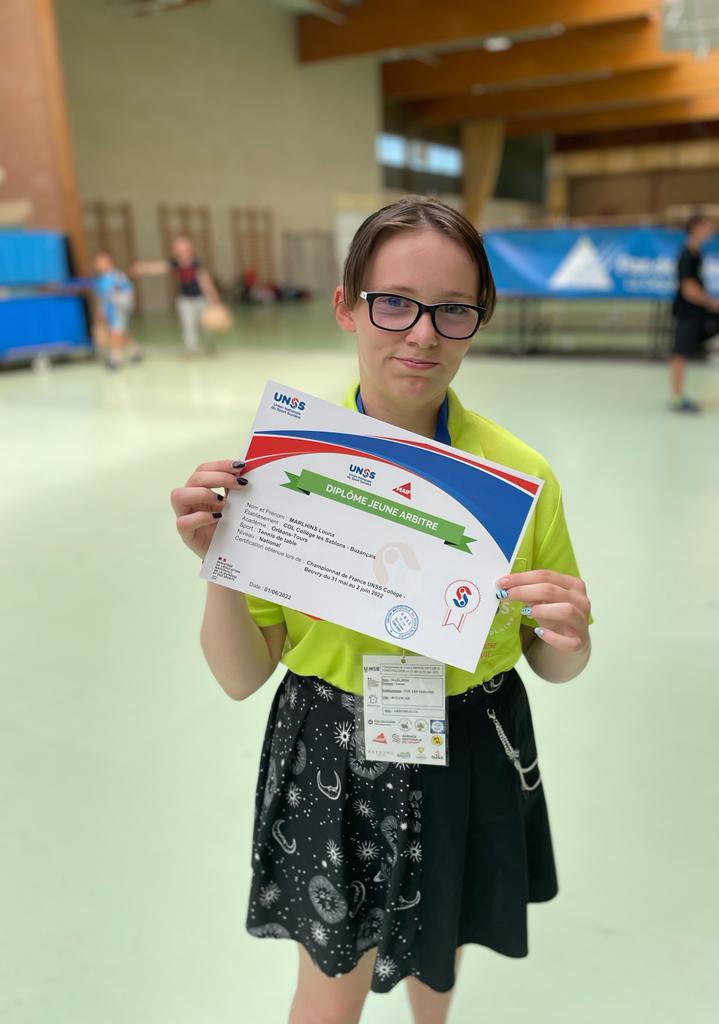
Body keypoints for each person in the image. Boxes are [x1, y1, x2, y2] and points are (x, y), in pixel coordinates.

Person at [170, 197, 592, 1024]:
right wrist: (221, 563)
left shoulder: (519, 478)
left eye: (453, 310)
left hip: (469, 737)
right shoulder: (284, 472)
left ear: (478, 320)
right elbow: (240, 676)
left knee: (442, 960)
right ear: (346, 306)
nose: (423, 334)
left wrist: (569, 634)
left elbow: (554, 659)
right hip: (333, 748)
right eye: (395, 302)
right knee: (330, 994)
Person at [670, 214, 719, 413]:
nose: (711, 230)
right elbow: (688, 289)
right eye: (707, 226)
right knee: (679, 354)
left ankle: (678, 395)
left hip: (695, 312)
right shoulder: (687, 255)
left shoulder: (696, 253)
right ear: (696, 228)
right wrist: (710, 303)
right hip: (686, 312)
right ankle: (677, 398)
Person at [132, 236, 221, 356]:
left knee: (207, 325)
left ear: (190, 250)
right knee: (188, 325)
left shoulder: (197, 263)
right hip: (185, 300)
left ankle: (210, 346)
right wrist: (143, 267)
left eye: (184, 250)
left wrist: (213, 296)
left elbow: (205, 281)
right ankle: (191, 349)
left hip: (200, 299)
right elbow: (159, 267)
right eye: (179, 250)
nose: (182, 253)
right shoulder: (175, 263)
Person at [91, 250, 142, 370]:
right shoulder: (98, 281)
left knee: (115, 332)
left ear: (110, 262)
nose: (100, 265)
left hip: (119, 309)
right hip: (108, 310)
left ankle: (115, 359)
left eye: (103, 262)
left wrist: (121, 301)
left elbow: (129, 292)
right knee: (120, 332)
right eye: (98, 263)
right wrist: (99, 312)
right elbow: (99, 298)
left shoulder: (118, 276)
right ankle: (136, 349)